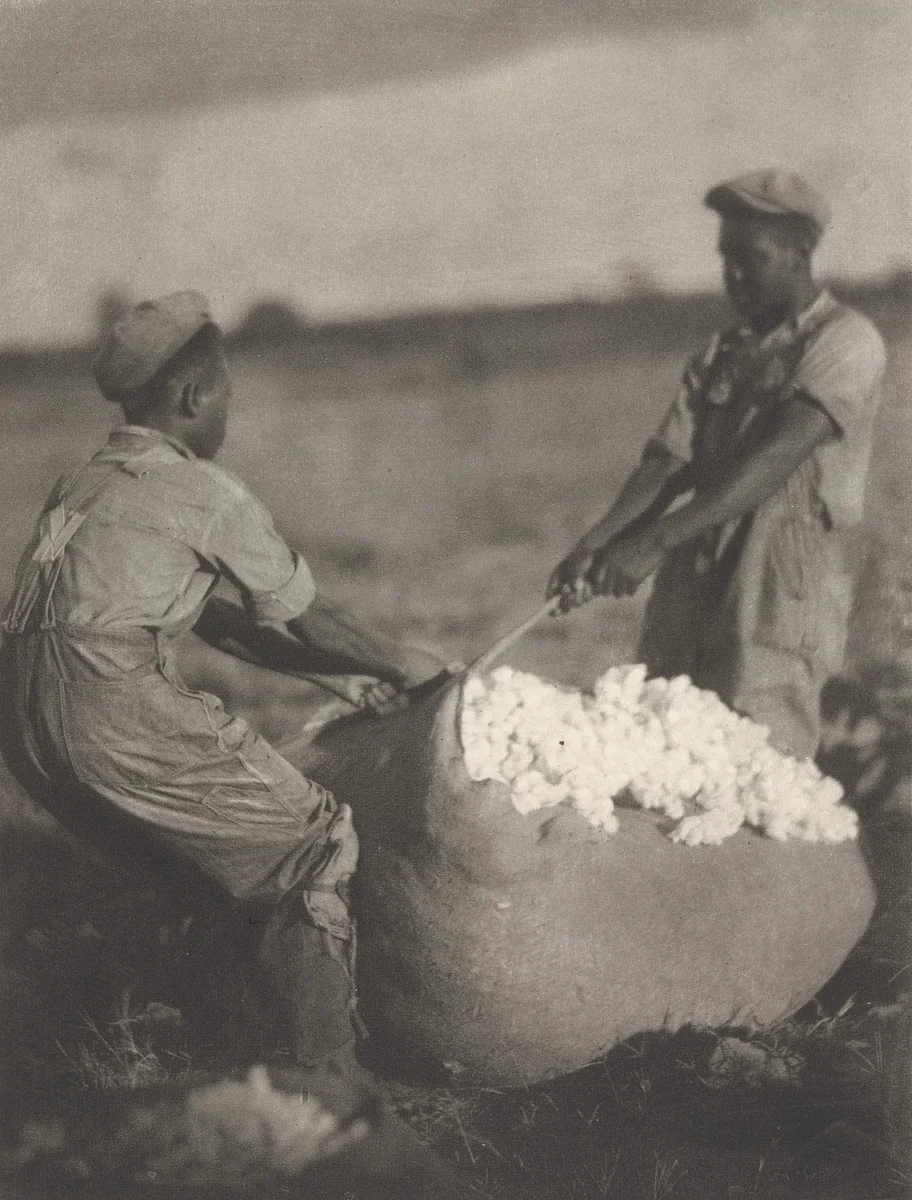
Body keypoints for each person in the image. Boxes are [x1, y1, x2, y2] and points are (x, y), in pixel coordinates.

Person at [0, 292, 447, 1068]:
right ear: (194, 395)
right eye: (226, 397)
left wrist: (340, 680)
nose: (227, 416)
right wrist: (402, 662)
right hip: (108, 700)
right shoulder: (205, 490)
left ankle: (207, 1053)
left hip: (24, 719)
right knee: (313, 844)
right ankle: (331, 1094)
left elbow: (218, 620)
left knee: (199, 868)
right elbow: (309, 617)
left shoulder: (85, 481)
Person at [548, 169, 887, 759]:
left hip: (780, 579)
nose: (733, 274)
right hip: (696, 567)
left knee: (761, 753)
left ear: (801, 251)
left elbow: (778, 454)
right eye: (725, 257)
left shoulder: (845, 340)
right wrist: (596, 543)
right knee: (668, 740)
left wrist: (653, 541)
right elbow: (665, 464)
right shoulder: (719, 354)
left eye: (749, 256)